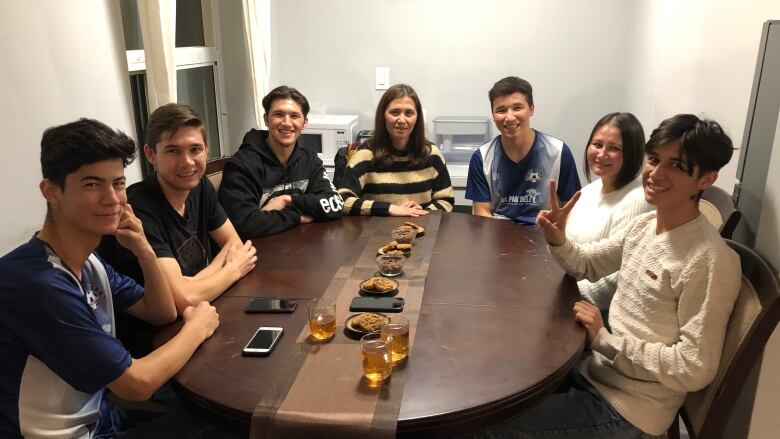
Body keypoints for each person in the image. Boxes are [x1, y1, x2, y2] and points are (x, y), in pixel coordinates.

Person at [473, 114, 742, 438]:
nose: (656, 174)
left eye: (676, 166)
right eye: (654, 160)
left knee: (482, 430)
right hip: (595, 371)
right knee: (491, 385)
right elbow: (586, 264)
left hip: (629, 407)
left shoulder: (710, 260)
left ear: (706, 179)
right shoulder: (645, 226)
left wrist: (604, 340)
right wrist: (558, 238)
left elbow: (694, 367)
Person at [0, 119, 227, 438]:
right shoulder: (36, 283)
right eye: (92, 184)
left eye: (118, 183)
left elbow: (159, 311)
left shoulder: (88, 262)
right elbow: (138, 384)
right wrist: (197, 327)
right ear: (51, 191)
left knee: (218, 420)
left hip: (102, 420)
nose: (112, 199)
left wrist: (144, 250)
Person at [107, 103, 257, 310]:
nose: (187, 162)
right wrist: (232, 271)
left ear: (206, 149)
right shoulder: (138, 208)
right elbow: (181, 301)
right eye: (173, 151)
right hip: (155, 333)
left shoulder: (200, 185)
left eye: (195, 149)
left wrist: (192, 284)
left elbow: (234, 245)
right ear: (151, 154)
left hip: (204, 311)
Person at [219, 85, 344, 237]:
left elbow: (335, 204)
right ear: (266, 119)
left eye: (294, 116)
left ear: (304, 123)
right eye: (279, 114)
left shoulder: (310, 160)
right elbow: (244, 225)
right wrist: (296, 217)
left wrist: (288, 200)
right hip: (256, 254)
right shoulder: (242, 165)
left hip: (301, 249)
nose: (286, 122)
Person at [566, 112, 652, 310]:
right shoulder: (589, 191)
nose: (602, 154)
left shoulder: (638, 199)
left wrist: (566, 297)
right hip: (569, 290)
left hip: (597, 309)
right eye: (597, 144)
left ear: (632, 153)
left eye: (614, 148)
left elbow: (619, 279)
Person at [465, 76, 581, 225]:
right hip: (498, 237)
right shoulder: (481, 158)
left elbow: (571, 208)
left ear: (531, 109)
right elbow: (482, 213)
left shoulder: (558, 152)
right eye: (501, 110)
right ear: (493, 115)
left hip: (544, 235)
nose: (509, 117)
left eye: (517, 108)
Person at [338, 83, 455, 216]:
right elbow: (342, 201)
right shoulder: (366, 155)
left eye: (409, 113)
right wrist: (389, 209)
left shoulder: (431, 154)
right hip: (376, 234)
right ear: (383, 115)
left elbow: (446, 200)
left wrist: (422, 213)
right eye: (395, 112)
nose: (402, 120)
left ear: (417, 118)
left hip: (420, 230)